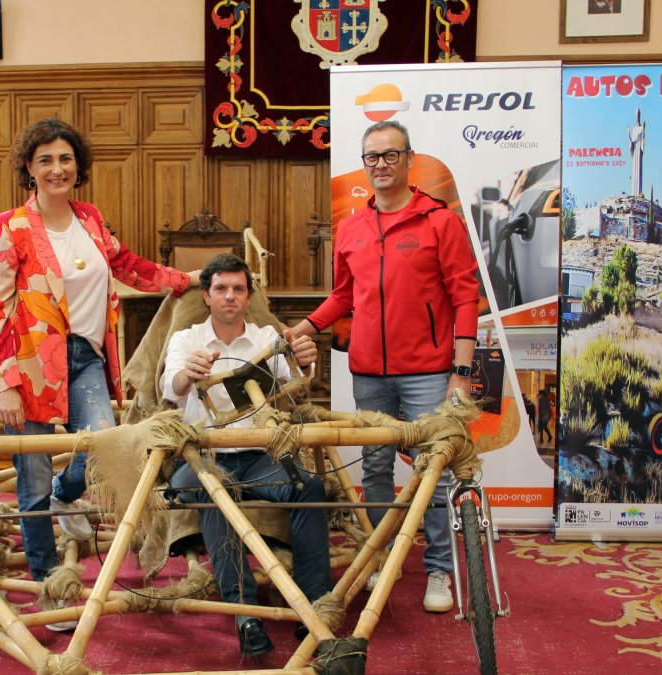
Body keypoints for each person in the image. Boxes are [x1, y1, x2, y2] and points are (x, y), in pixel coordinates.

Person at [0, 118, 194, 631]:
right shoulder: (8, 228)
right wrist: (5, 380)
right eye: (46, 160)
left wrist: (186, 280)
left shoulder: (91, 218)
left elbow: (126, 264)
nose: (57, 168)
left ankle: (66, 491)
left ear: (79, 167)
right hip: (28, 363)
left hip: (86, 356)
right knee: (29, 482)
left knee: (105, 444)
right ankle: (47, 584)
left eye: (66, 159)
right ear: (29, 169)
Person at [288, 120, 479, 614]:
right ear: (364, 163)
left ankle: (438, 568)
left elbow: (464, 296)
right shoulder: (351, 226)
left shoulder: (439, 221)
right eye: (371, 157)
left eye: (390, 155)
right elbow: (344, 295)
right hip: (368, 371)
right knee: (374, 468)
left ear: (408, 159)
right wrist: (305, 327)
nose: (380, 165)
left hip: (428, 371)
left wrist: (460, 369)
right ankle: (380, 557)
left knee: (429, 471)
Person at [162, 254, 331, 658]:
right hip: (204, 459)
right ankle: (246, 614)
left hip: (260, 457)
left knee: (309, 487)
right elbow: (172, 387)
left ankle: (314, 605)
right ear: (206, 295)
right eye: (221, 288)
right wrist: (189, 371)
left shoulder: (266, 338)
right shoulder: (187, 339)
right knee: (214, 491)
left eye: (238, 289)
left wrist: (308, 362)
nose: (230, 296)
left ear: (248, 295)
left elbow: (299, 384)